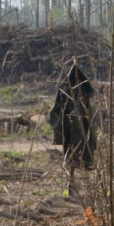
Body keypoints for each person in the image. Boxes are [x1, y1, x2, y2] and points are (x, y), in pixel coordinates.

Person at [48, 62, 96, 196]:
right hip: (70, 130)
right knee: (71, 159)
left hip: (79, 131)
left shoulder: (83, 94)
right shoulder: (67, 92)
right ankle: (71, 185)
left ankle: (73, 185)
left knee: (76, 159)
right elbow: (57, 112)